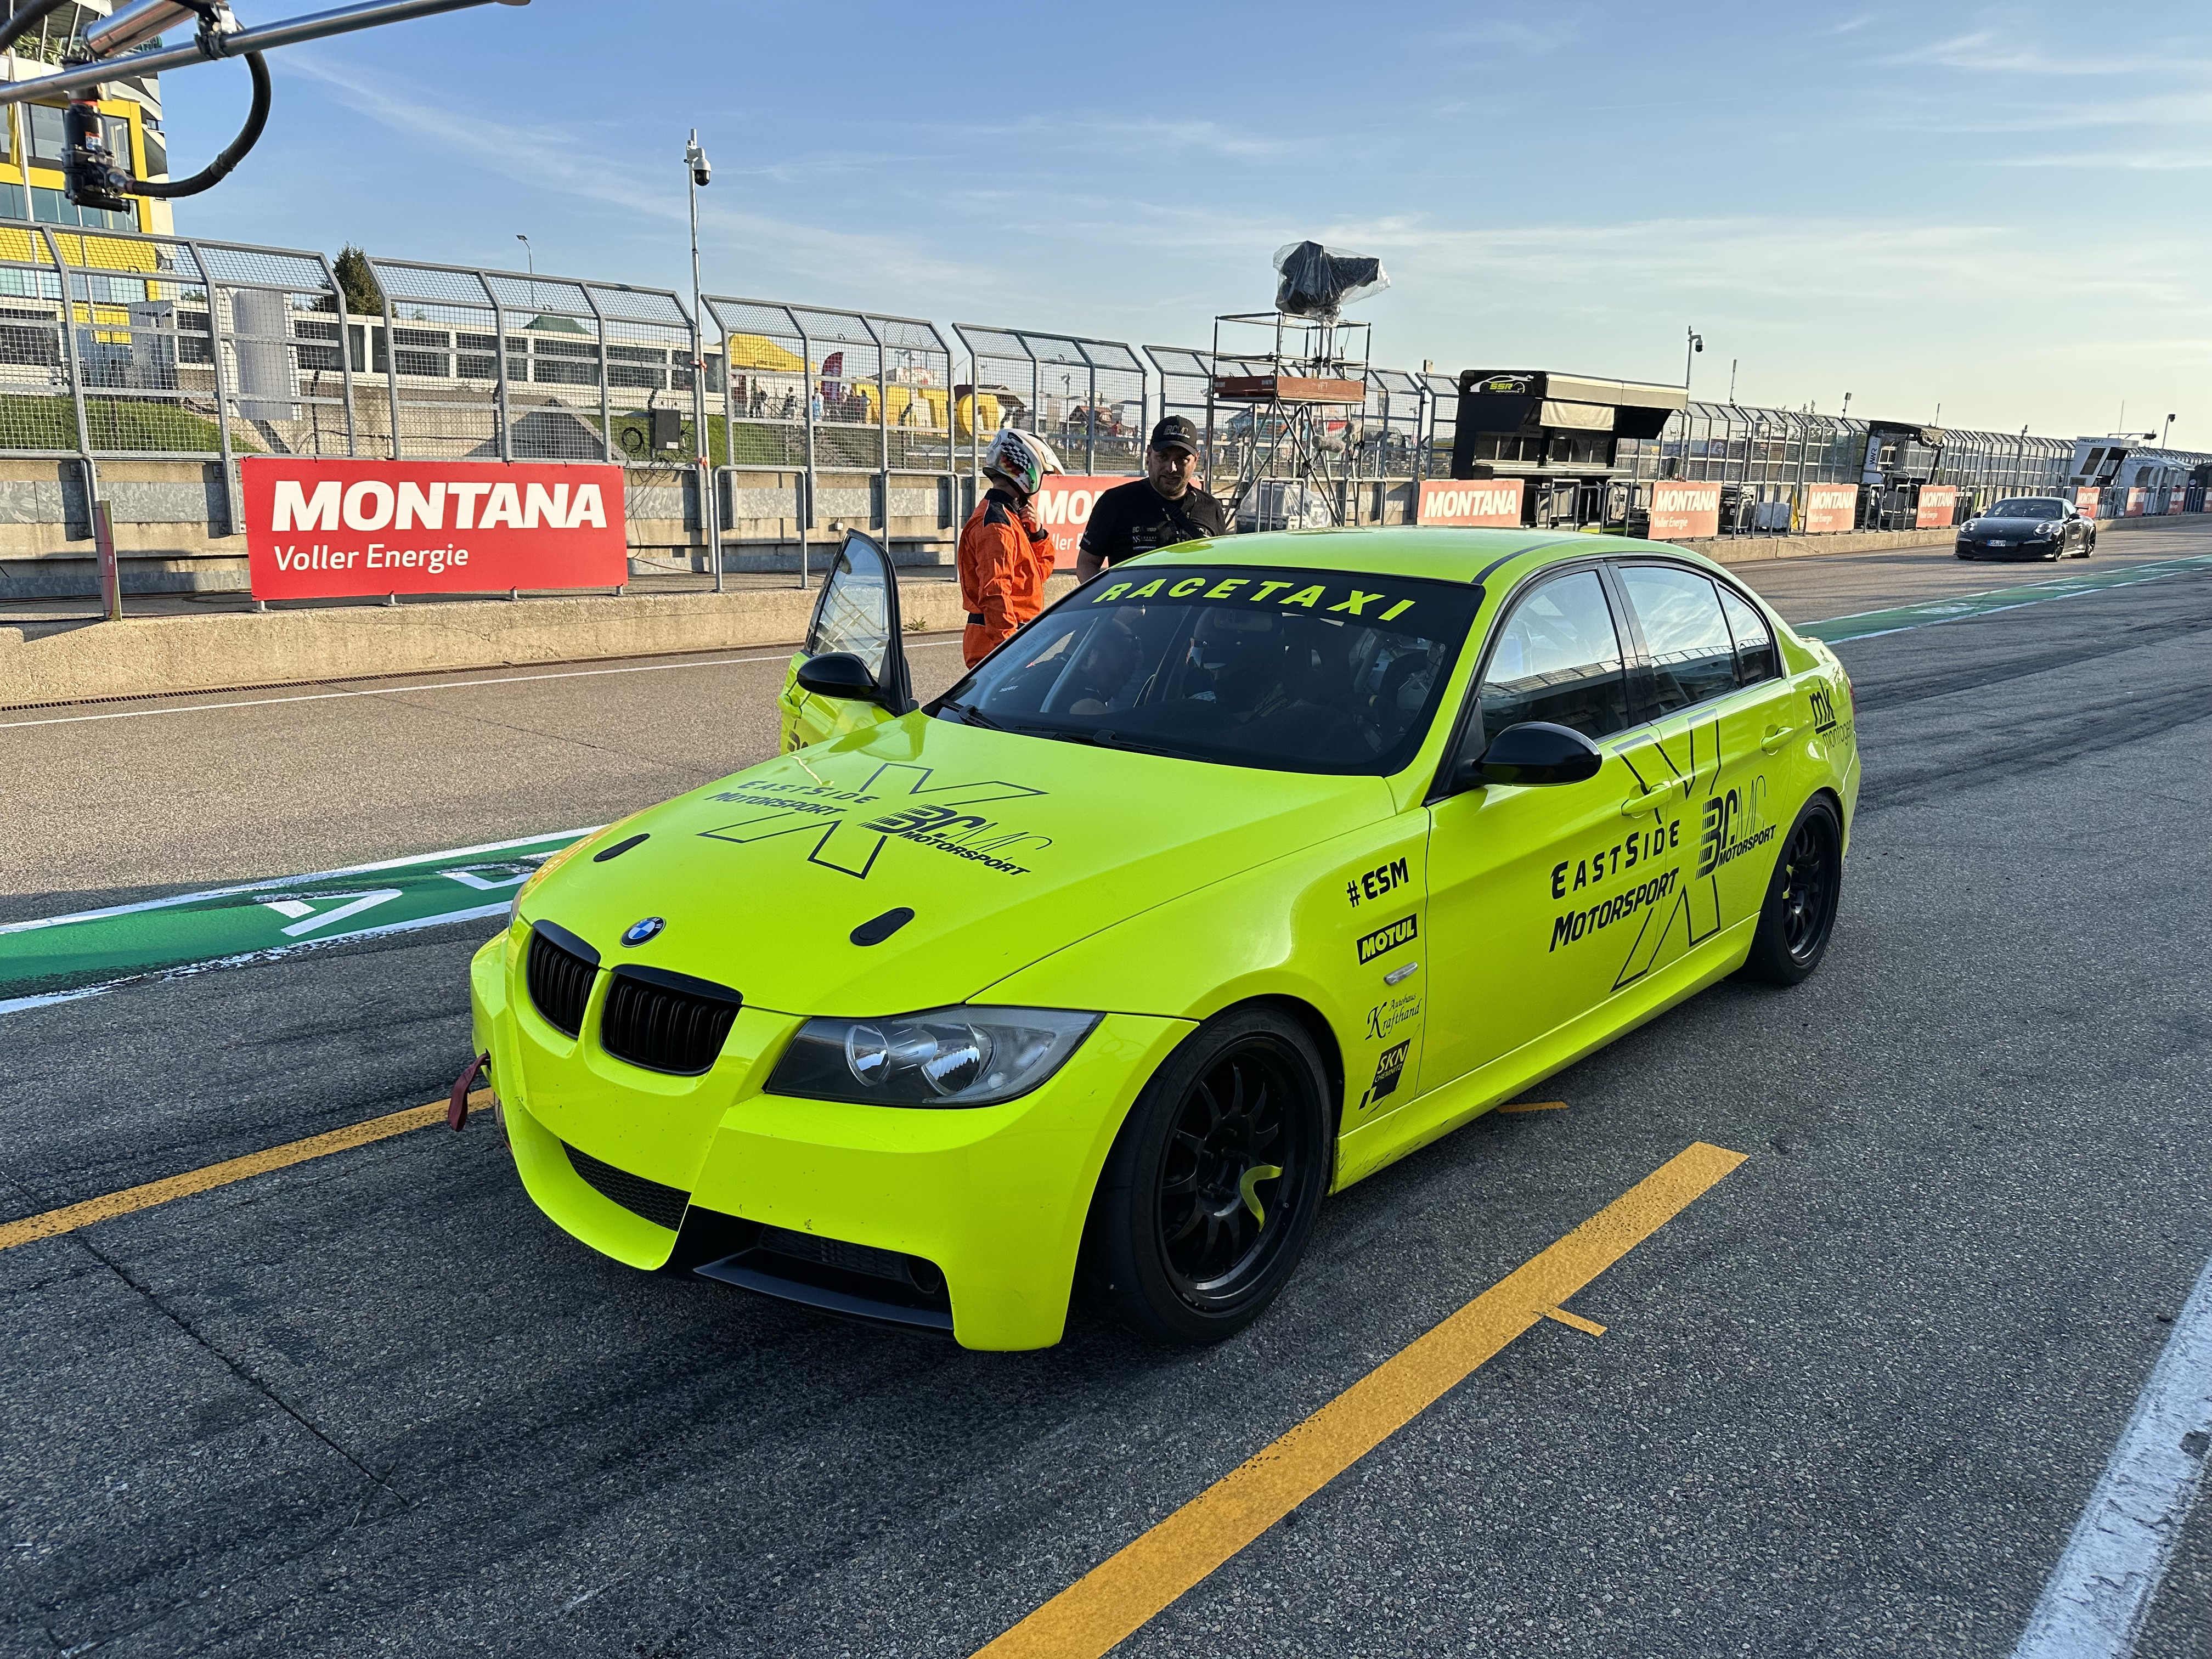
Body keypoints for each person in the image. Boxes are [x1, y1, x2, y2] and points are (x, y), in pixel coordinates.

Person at [958, 429, 1066, 668]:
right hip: (998, 642)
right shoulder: (997, 525)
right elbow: (995, 594)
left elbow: (1036, 576)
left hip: (1010, 636)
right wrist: (1011, 650)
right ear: (1026, 470)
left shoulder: (1010, 517)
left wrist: (1038, 535)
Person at [1077, 415, 1228, 582]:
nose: (1171, 468)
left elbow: (1221, 568)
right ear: (1149, 455)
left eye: (1182, 459)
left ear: (1196, 460)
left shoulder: (1211, 508)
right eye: (1163, 457)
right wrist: (1110, 597)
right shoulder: (1116, 502)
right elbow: (1087, 563)